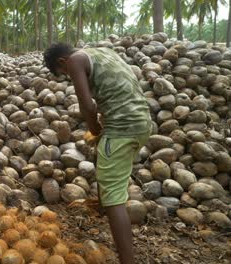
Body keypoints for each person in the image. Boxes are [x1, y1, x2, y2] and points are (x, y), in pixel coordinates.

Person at [43, 43, 151, 264]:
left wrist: (94, 130)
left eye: (63, 73)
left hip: (122, 128)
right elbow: (117, 88)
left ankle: (127, 261)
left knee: (114, 196)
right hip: (142, 121)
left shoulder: (74, 62)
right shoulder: (101, 52)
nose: (67, 75)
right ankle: (103, 207)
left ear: (63, 62)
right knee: (106, 163)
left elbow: (87, 107)